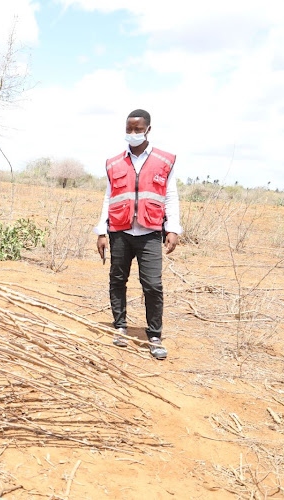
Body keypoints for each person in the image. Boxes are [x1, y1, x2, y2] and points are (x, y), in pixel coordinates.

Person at [94, 109, 182, 360]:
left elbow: (170, 196)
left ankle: (154, 335)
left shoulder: (165, 161)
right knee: (117, 279)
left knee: (152, 284)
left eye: (137, 129)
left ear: (148, 130)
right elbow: (109, 197)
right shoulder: (114, 162)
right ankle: (120, 327)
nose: (132, 133)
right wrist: (102, 230)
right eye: (129, 129)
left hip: (150, 232)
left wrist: (173, 228)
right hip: (120, 231)